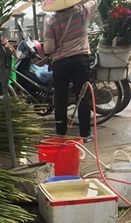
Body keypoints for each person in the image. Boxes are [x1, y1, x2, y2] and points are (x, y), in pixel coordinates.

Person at [42, 0, 101, 142]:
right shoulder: (83, 11)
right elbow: (96, 1)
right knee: (82, 97)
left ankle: (61, 134)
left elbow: (49, 48)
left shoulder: (51, 22)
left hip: (60, 63)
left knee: (60, 98)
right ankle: (85, 134)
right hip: (80, 60)